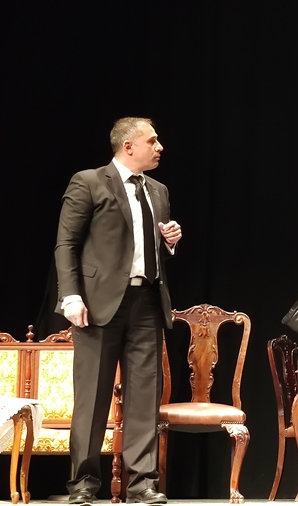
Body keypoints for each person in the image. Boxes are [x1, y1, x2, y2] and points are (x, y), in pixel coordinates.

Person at [55, 117, 181, 505]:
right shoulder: (90, 182)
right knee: (92, 396)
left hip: (147, 302)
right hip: (98, 304)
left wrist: (169, 241)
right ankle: (83, 482)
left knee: (145, 395)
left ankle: (142, 483)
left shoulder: (158, 190)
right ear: (129, 146)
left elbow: (148, 246)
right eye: (152, 141)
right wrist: (71, 296)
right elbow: (66, 244)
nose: (159, 147)